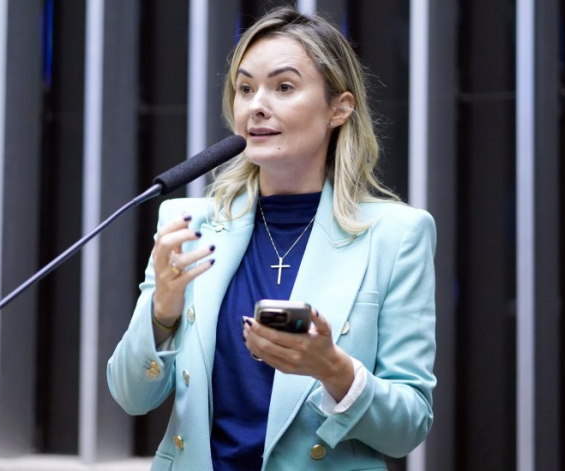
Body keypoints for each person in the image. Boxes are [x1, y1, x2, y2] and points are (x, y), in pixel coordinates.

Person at [107, 6, 436, 470]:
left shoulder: (397, 235)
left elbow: (408, 428)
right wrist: (161, 312)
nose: (256, 105)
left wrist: (333, 369)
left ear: (339, 108)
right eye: (245, 88)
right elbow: (130, 396)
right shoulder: (187, 224)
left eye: (283, 87)